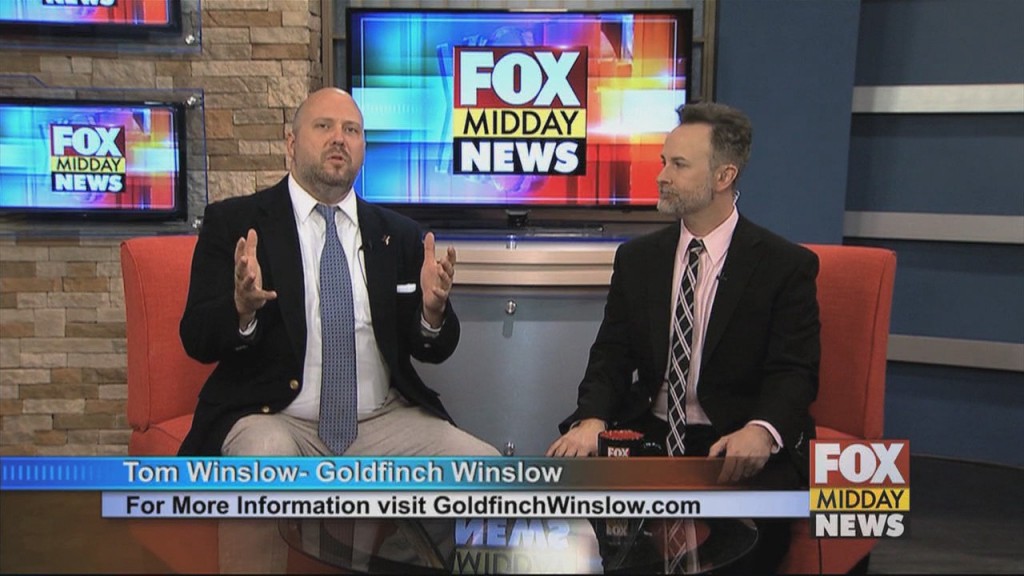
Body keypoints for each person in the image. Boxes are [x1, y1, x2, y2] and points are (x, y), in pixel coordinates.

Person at [179, 87, 498, 572]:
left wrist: (432, 313)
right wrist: (241, 309)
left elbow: (433, 348)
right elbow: (196, 336)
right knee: (264, 464)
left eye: (351, 130)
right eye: (324, 126)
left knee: (487, 473)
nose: (339, 139)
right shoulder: (236, 223)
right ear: (291, 143)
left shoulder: (399, 234)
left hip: (381, 420)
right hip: (276, 417)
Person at [546, 101, 820, 574]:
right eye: (663, 162)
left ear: (724, 176)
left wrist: (761, 430)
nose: (661, 176)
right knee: (603, 546)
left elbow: (794, 371)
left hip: (731, 441)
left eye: (678, 165)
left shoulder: (783, 266)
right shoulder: (638, 260)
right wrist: (592, 419)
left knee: (739, 555)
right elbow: (611, 356)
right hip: (648, 435)